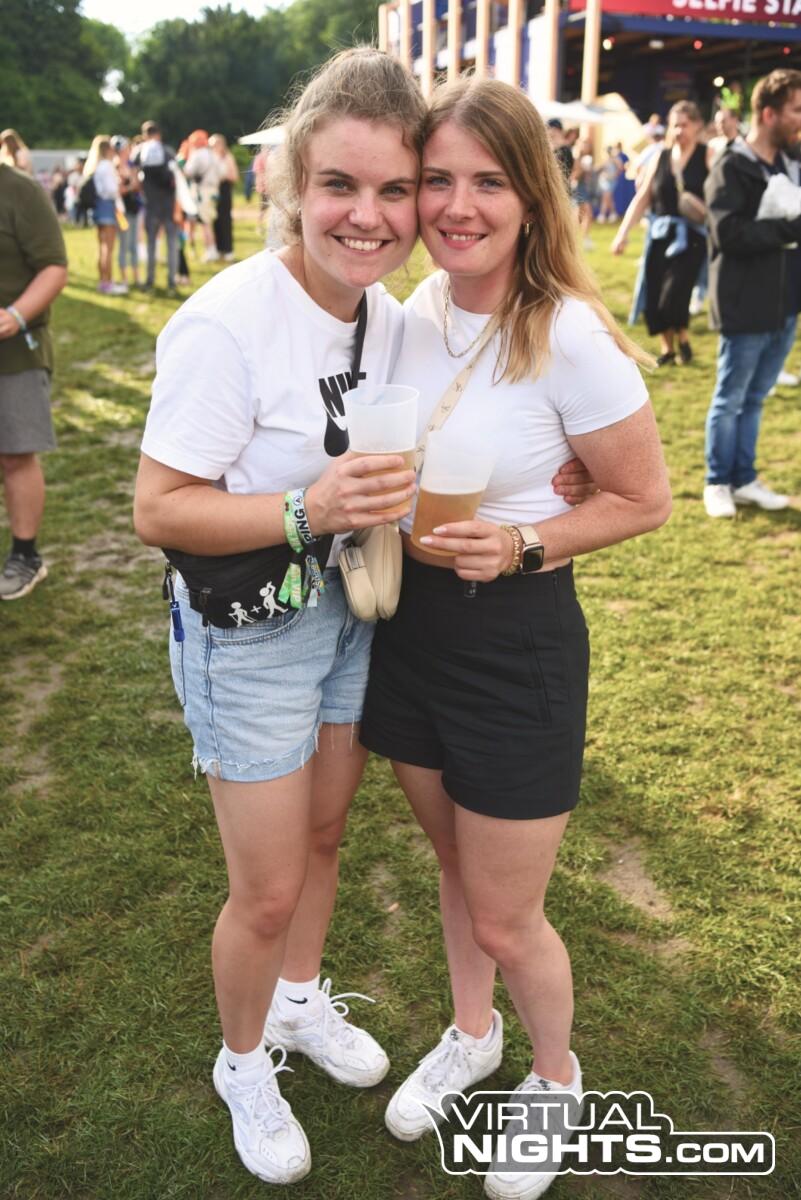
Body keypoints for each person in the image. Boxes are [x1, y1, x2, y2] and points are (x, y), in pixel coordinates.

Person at [358, 77, 671, 1200]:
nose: (457, 206)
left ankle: (554, 1077)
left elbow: (642, 499)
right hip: (410, 627)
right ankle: (472, 1033)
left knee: (506, 911)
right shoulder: (412, 312)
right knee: (454, 864)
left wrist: (527, 542)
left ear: (531, 196)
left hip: (514, 641)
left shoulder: (569, 335)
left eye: (487, 181)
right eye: (437, 179)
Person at [133, 48, 427, 1188]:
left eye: (393, 189)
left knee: (322, 838)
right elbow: (159, 508)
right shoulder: (228, 324)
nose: (367, 216)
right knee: (262, 887)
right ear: (294, 187)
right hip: (249, 634)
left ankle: (298, 1005)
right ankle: (242, 1061)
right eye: (339, 185)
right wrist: (308, 509)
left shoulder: (383, 316)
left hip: (350, 609)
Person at [702, 68, 801, 519]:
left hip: (785, 303)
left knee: (756, 398)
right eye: (796, 110)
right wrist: (789, 229)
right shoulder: (732, 166)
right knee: (731, 398)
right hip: (744, 303)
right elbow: (728, 233)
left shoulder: (790, 162)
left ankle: (744, 478)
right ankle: (717, 481)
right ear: (768, 113)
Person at [0, 156, 68, 600]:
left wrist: (15, 315)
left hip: (14, 355)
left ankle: (26, 556)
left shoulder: (19, 190)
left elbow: (54, 267)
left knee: (15, 455)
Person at [612, 100, 708, 366]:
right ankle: (669, 349)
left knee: (674, 293)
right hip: (660, 234)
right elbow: (643, 197)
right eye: (674, 125)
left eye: (684, 125)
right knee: (654, 294)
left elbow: (720, 195)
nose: (678, 131)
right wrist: (622, 233)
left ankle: (683, 336)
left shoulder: (707, 155)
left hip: (692, 238)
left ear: (697, 126)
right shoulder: (661, 157)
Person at [130, 121, 179, 295]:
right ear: (159, 134)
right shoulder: (168, 151)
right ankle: (171, 283)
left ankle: (149, 281)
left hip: (151, 206)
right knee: (171, 244)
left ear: (145, 135)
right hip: (168, 206)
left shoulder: (139, 152)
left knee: (151, 245)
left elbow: (133, 176)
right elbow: (178, 176)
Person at [84, 136, 125, 296]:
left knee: (102, 247)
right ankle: (108, 282)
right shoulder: (107, 166)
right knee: (109, 248)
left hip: (98, 208)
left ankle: (103, 281)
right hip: (107, 206)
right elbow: (111, 190)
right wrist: (120, 186)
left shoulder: (97, 166)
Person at [183, 130, 222, 262]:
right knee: (209, 222)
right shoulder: (213, 154)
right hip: (214, 191)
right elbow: (222, 172)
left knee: (205, 223)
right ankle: (213, 250)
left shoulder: (197, 154)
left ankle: (210, 251)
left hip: (201, 191)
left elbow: (188, 171)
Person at [113, 136, 142, 291]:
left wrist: (129, 185)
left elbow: (136, 185)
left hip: (133, 208)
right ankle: (124, 278)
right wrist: (130, 185)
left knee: (133, 244)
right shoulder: (115, 167)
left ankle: (136, 277)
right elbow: (120, 190)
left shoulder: (131, 165)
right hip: (121, 212)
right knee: (124, 244)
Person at [210, 133, 239, 260]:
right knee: (215, 220)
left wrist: (224, 176)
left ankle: (228, 250)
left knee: (225, 220)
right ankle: (218, 249)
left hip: (224, 189)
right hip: (213, 189)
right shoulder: (210, 157)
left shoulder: (227, 157)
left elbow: (235, 176)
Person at [571, 137, 597, 249]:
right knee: (587, 214)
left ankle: (574, 238)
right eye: (585, 144)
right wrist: (583, 169)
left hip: (583, 188)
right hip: (579, 188)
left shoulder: (583, 157)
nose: (588, 147)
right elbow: (574, 175)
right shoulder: (576, 156)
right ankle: (585, 239)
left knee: (579, 216)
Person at [546, 118, 573, 188]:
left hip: (561, 187)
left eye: (549, 129)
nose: (548, 132)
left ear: (556, 130)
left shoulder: (565, 150)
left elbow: (564, 172)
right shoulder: (554, 148)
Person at [597, 145, 621, 222]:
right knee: (608, 198)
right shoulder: (604, 160)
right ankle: (613, 213)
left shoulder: (615, 159)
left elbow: (620, 168)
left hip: (611, 181)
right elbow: (599, 169)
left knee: (606, 197)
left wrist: (614, 175)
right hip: (604, 181)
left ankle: (602, 214)